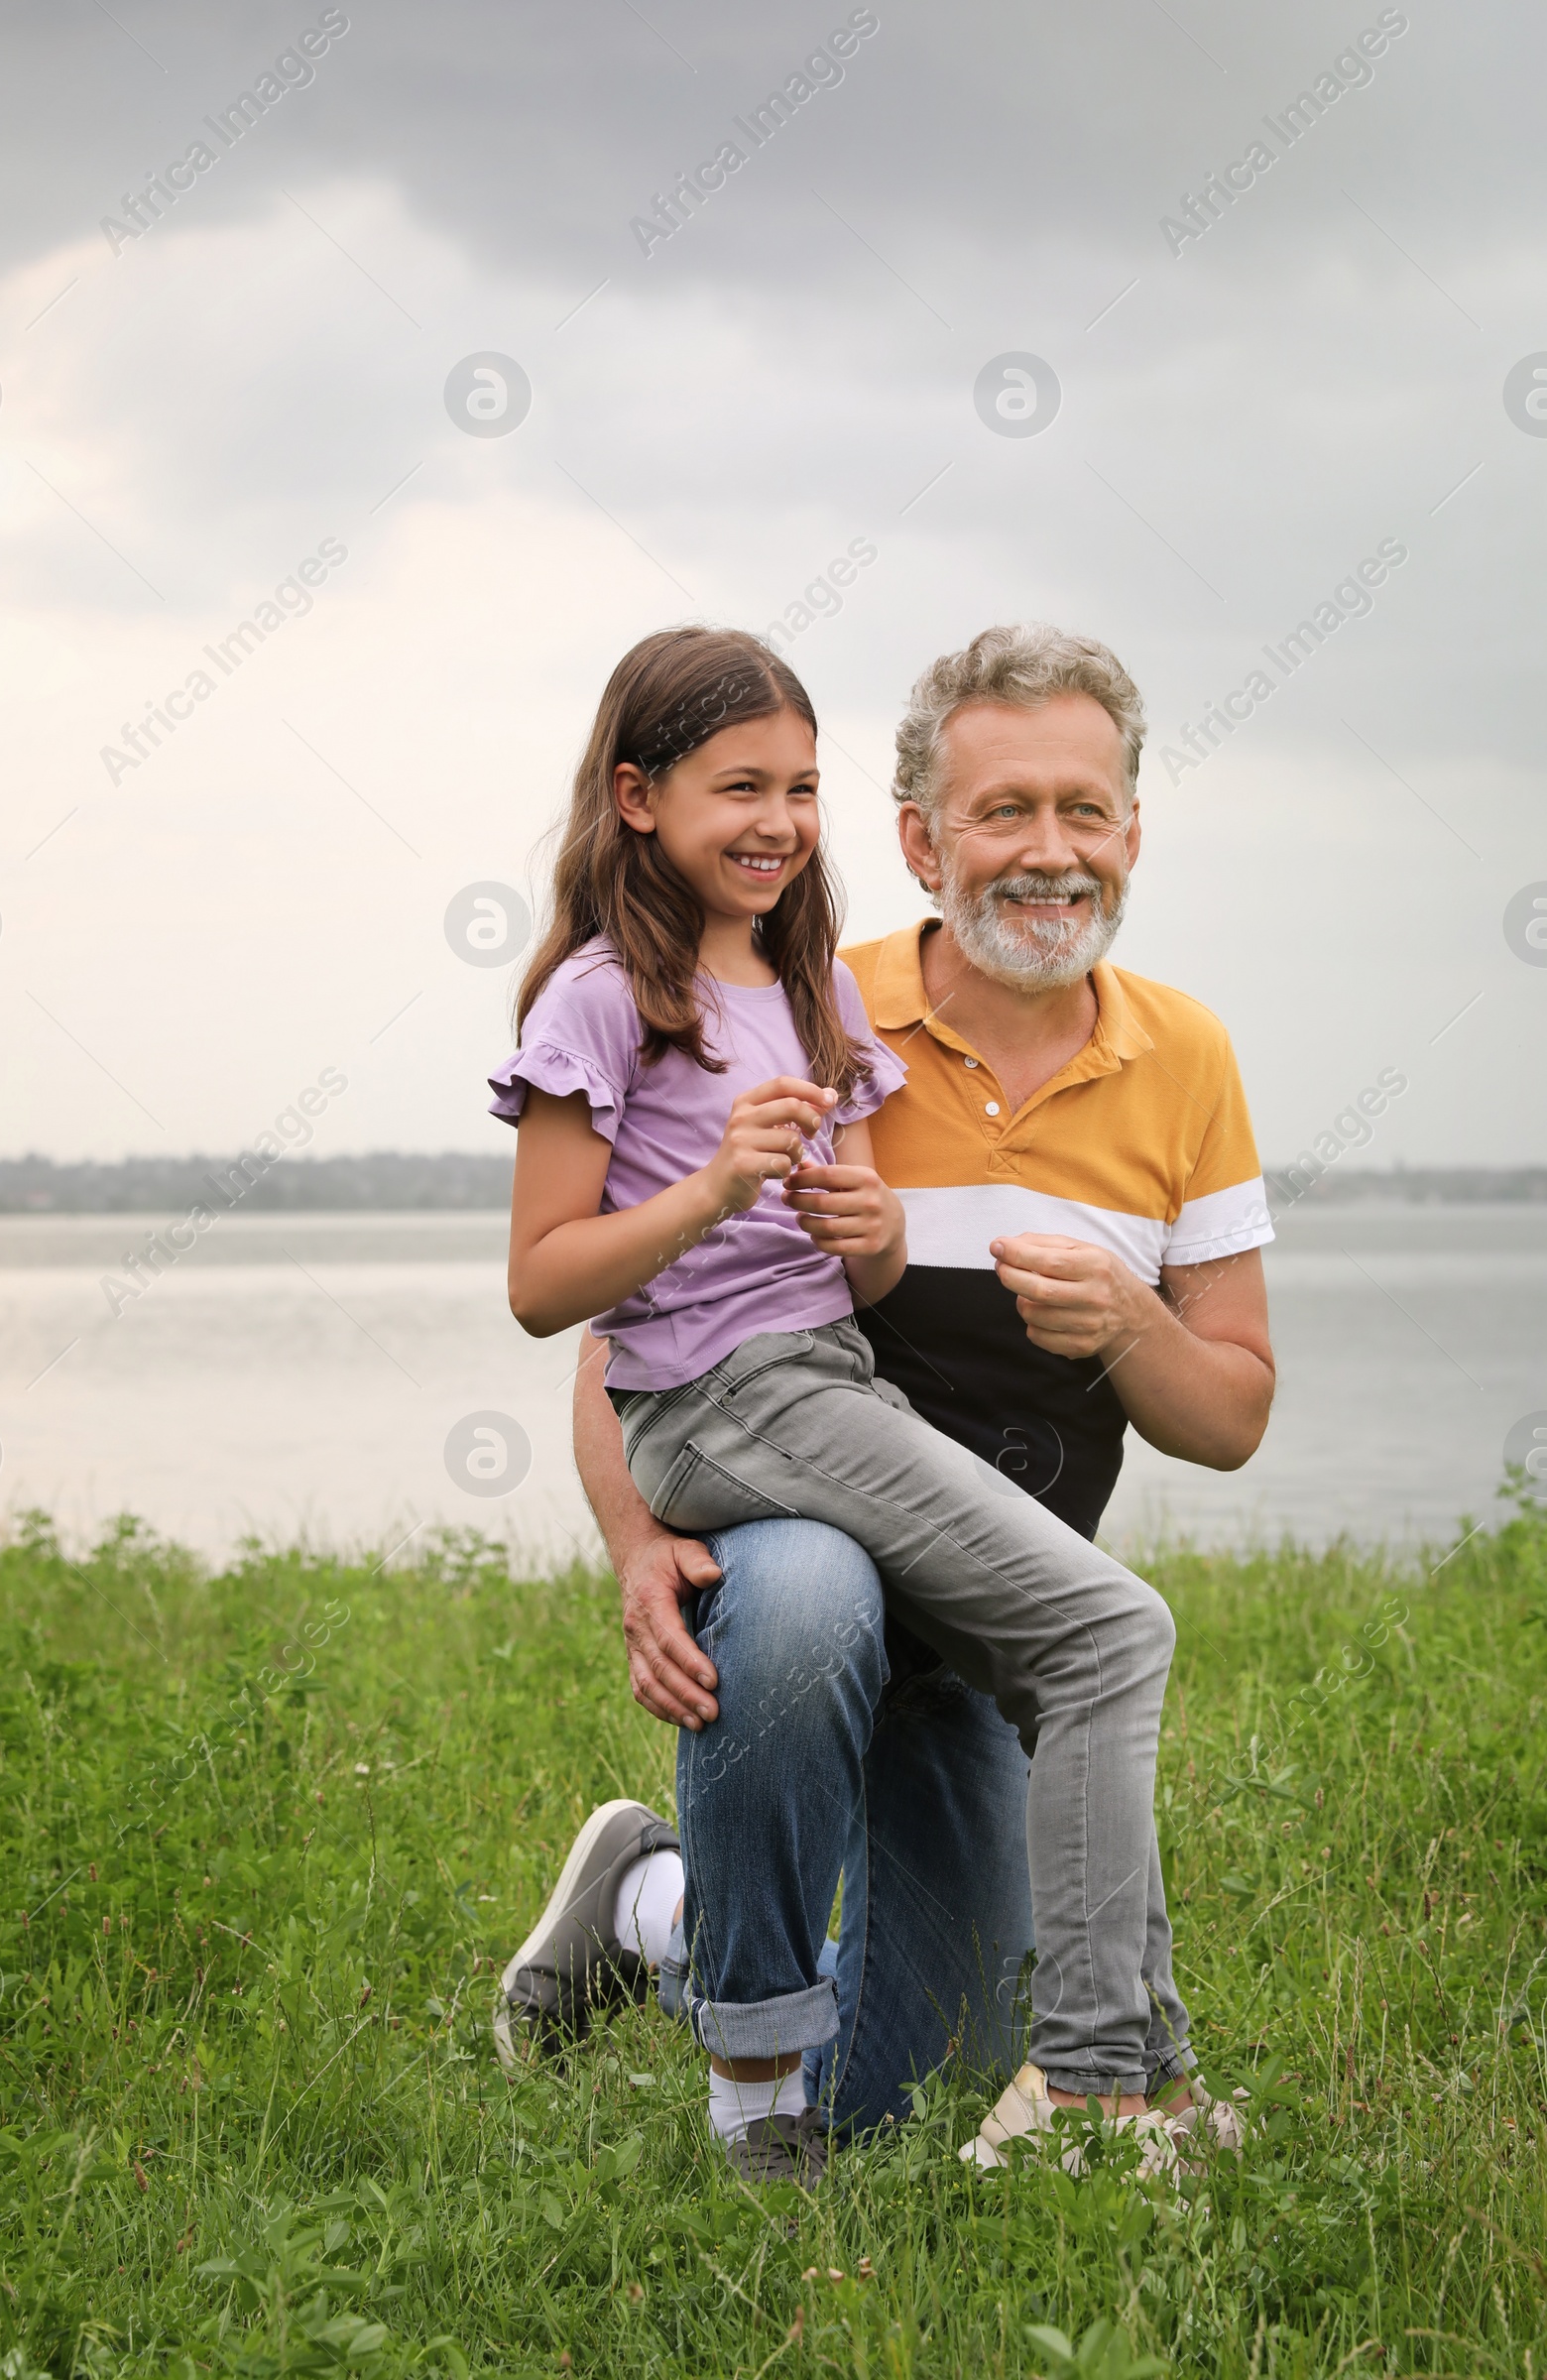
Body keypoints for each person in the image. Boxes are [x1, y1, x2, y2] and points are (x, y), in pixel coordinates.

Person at [491, 624, 1261, 2185]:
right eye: (1004, 812)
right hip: (801, 1535)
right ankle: (1105, 2096)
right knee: (824, 1598)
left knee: (902, 2078)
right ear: (921, 838)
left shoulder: (1181, 1056)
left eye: (1085, 810)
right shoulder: (790, 994)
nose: (1051, 852)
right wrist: (639, 1545)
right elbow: (615, 1321)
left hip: (977, 1626)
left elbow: (1231, 1413)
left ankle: (650, 1908)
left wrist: (1122, 1322)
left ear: (1131, 829)